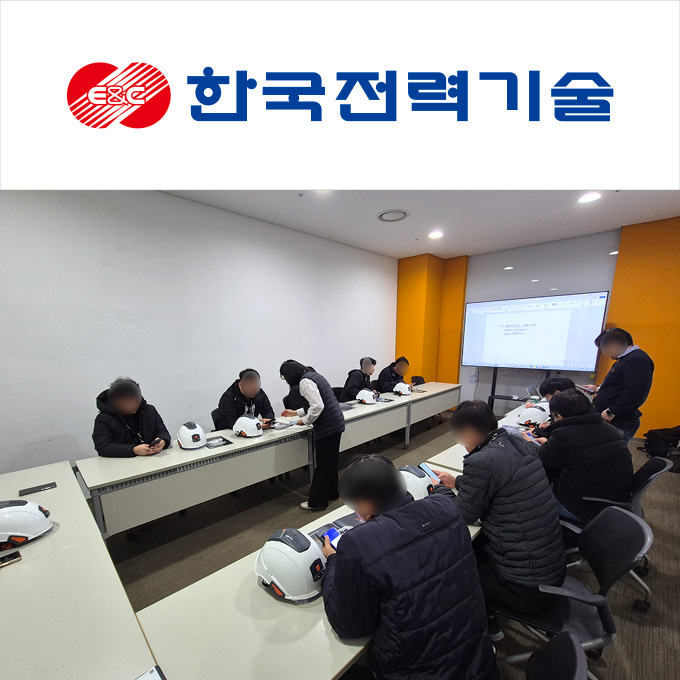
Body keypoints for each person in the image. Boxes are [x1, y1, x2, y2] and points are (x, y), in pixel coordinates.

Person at [322, 454, 497, 680]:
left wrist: (334, 561)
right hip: (478, 660)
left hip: (417, 672)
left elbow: (348, 626)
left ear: (364, 504)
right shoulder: (445, 506)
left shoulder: (358, 542)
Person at [432, 400, 565, 641]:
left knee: (449, 570)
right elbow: (502, 480)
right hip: (549, 566)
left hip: (523, 585)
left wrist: (438, 491)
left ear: (469, 432)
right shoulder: (517, 442)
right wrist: (457, 482)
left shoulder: (481, 461)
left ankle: (483, 629)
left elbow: (462, 515)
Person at [535, 389, 633, 524]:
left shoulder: (564, 436)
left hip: (583, 507)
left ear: (559, 416)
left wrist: (533, 443)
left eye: (553, 417)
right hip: (613, 499)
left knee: (530, 488)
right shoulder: (609, 428)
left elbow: (540, 460)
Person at [280, 360, 346, 510]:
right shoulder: (313, 376)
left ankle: (316, 503)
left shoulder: (304, 382)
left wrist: (304, 421)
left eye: (284, 377)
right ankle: (332, 493)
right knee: (330, 462)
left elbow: (317, 406)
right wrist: (296, 413)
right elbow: (315, 403)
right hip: (336, 423)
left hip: (328, 427)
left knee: (322, 466)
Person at [582, 328, 654, 443]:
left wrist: (611, 411)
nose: (604, 353)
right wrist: (598, 389)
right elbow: (619, 386)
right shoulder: (625, 359)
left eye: (604, 348)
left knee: (609, 452)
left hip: (619, 422)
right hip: (613, 421)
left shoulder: (636, 359)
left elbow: (635, 392)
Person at [92, 377, 171, 458]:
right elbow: (103, 447)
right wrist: (133, 450)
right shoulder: (104, 419)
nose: (132, 406)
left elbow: (163, 432)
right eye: (126, 403)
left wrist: (162, 441)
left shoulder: (149, 410)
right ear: (114, 402)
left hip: (151, 458)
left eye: (135, 401)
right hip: (121, 462)